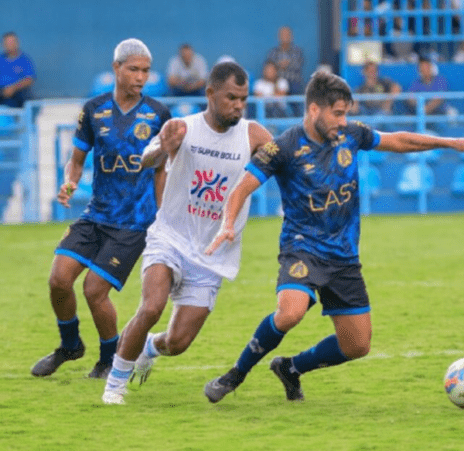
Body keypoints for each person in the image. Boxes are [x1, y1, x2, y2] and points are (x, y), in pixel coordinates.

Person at [203, 70, 464, 403]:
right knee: (291, 312)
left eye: (346, 113)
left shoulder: (352, 135)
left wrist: (451, 142)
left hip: (344, 257)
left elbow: (398, 140)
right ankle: (235, 374)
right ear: (314, 109)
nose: (343, 120)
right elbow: (241, 189)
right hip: (303, 248)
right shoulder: (283, 148)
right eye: (337, 113)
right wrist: (227, 224)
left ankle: (291, 368)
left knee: (357, 346)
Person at [101, 61, 273, 405]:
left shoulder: (253, 135)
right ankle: (114, 386)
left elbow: (285, 160)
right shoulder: (182, 127)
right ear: (210, 94)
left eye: (243, 99)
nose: (238, 105)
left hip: (212, 254)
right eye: (231, 98)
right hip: (170, 238)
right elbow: (146, 159)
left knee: (177, 343)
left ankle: (150, 347)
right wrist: (162, 147)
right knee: (152, 307)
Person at [30, 38, 171, 379]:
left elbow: (161, 171)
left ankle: (109, 359)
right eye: (134, 69)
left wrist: (162, 216)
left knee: (94, 290)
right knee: (58, 280)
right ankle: (70, 345)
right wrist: (70, 182)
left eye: (146, 71)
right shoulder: (93, 110)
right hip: (96, 215)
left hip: (133, 223)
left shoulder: (158, 115)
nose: (141, 77)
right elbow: (77, 160)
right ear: (116, 69)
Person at [0, 32, 35, 107]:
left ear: (17, 43)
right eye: (6, 43)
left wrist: (13, 88)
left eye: (11, 42)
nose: (9, 45)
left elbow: (29, 79)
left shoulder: (25, 60)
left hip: (17, 95)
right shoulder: (1, 59)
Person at [266, 26, 304, 95]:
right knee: (271, 87)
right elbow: (270, 67)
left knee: (295, 86)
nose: (285, 37)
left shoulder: (297, 51)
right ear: (279, 37)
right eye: (283, 35)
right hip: (278, 82)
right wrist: (282, 64)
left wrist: (281, 65)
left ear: (291, 37)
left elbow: (297, 66)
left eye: (287, 35)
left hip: (293, 82)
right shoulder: (273, 52)